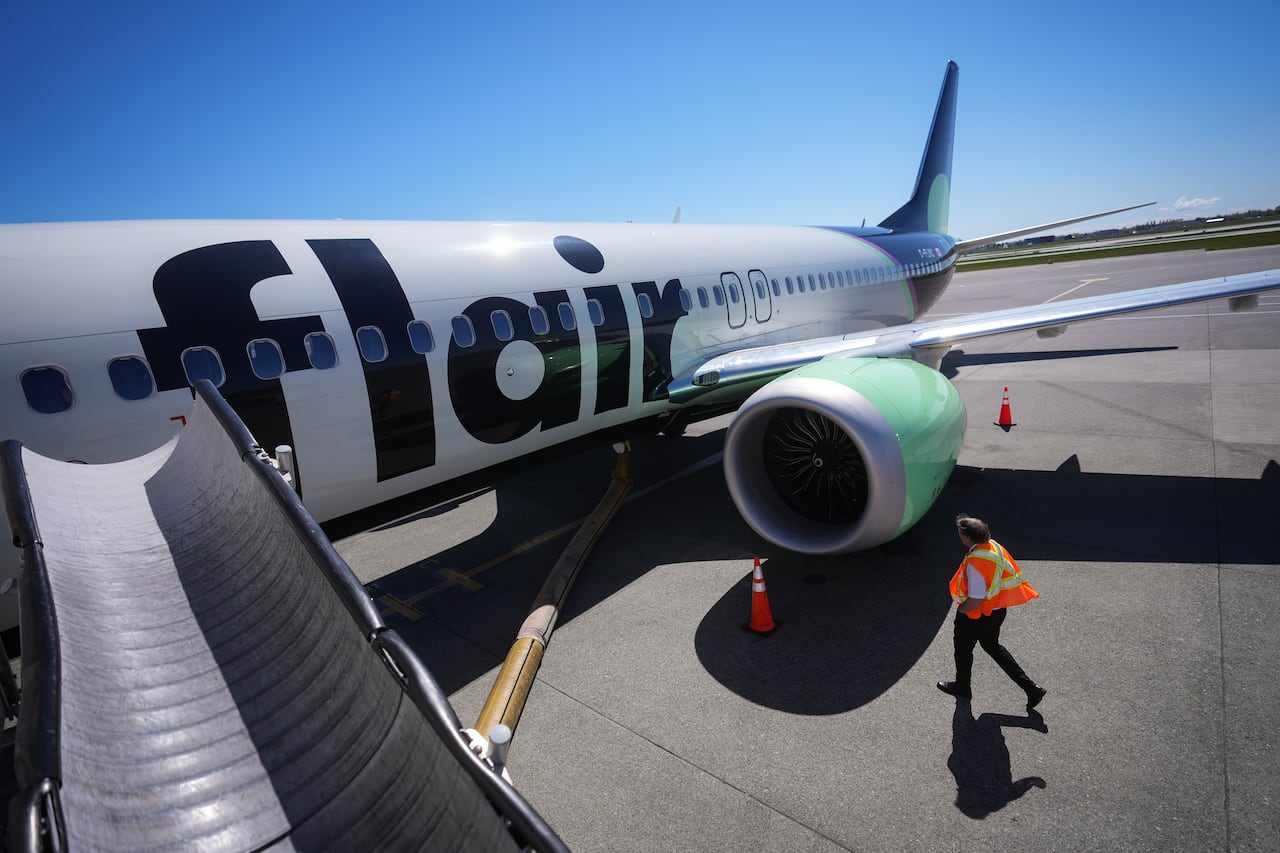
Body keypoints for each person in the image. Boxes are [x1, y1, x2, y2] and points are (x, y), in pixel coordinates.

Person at [937, 513, 1047, 710]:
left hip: (976, 615)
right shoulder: (995, 547)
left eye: (960, 533)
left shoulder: (976, 561)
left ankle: (963, 687)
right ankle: (1031, 688)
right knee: (993, 647)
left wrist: (962, 609)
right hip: (996, 611)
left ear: (967, 537)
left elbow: (976, 598)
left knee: (963, 650)